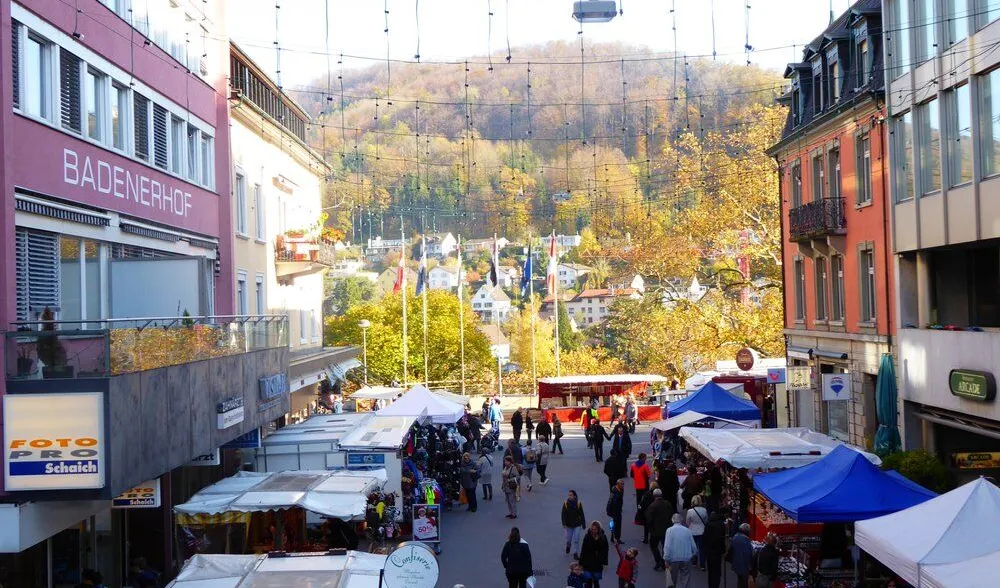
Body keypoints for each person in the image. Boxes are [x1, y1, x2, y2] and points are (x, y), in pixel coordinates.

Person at [664, 513, 698, 588]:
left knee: (672, 580)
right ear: (681, 520)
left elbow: (667, 546)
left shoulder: (669, 530)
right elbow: (694, 547)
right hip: (686, 558)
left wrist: (666, 558)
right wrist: (692, 555)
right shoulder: (687, 531)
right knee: (685, 579)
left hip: (673, 559)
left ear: (672, 520)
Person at [645, 488, 672, 571]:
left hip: (655, 531)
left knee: (653, 546)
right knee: (665, 546)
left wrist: (650, 529)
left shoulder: (652, 506)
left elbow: (649, 519)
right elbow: (672, 514)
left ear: (654, 496)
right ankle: (664, 562)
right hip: (666, 530)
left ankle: (658, 561)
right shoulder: (667, 504)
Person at [579, 521, 610, 588]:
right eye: (592, 529)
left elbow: (605, 551)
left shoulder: (603, 537)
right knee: (588, 582)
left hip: (597, 563)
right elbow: (583, 549)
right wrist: (581, 563)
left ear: (598, 529)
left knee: (596, 581)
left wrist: (605, 563)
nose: (593, 531)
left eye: (595, 529)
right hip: (587, 562)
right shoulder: (587, 536)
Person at [702, 510, 727, 588]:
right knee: (717, 571)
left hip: (709, 551)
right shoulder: (721, 525)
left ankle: (711, 585)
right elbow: (721, 539)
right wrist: (723, 549)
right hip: (717, 551)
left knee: (711, 570)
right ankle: (715, 585)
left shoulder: (708, 524)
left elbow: (705, 538)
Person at [562, 489, 587, 558]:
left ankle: (575, 553)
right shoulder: (566, 503)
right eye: (569, 495)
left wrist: (583, 524)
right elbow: (563, 514)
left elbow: (581, 514)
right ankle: (568, 546)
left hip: (577, 524)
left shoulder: (578, 503)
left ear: (574, 496)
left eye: (571, 495)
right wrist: (564, 523)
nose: (569, 496)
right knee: (569, 539)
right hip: (569, 525)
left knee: (576, 539)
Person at [686, 495, 708, 570]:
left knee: (693, 547)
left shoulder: (690, 511)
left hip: (692, 531)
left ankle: (694, 561)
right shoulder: (704, 510)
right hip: (702, 531)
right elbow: (706, 520)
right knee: (702, 548)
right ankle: (702, 564)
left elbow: (687, 522)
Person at [728, 523, 754, 588]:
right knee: (744, 583)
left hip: (736, 563)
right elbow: (749, 553)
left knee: (740, 580)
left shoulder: (735, 537)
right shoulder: (745, 540)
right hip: (743, 565)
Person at [606, 479, 625, 543]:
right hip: (615, 511)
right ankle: (616, 538)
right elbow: (611, 502)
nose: (623, 485)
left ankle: (614, 537)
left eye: (623, 484)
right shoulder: (616, 492)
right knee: (617, 525)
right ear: (617, 484)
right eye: (621, 484)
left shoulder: (620, 490)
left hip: (618, 510)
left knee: (616, 525)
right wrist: (611, 512)